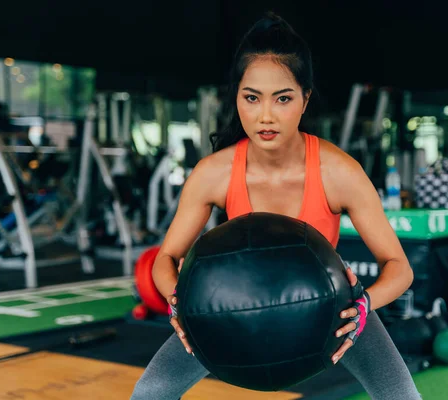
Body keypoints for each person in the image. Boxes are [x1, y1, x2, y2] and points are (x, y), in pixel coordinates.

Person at [131, 13, 421, 400]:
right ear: (236, 98)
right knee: (151, 391)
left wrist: (364, 305)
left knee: (402, 395)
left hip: (328, 313)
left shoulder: (338, 172)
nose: (265, 115)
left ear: (305, 100)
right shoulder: (213, 174)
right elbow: (165, 258)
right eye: (251, 98)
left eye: (282, 98)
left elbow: (400, 268)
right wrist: (178, 305)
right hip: (233, 308)